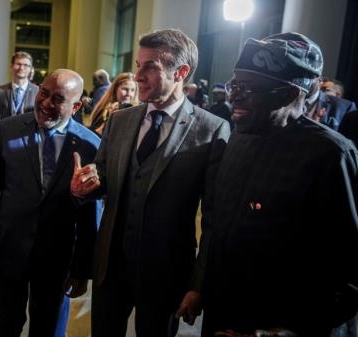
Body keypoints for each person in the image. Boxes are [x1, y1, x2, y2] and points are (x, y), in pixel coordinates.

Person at [202, 32, 358, 337]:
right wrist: (200, 286)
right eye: (235, 85)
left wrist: (282, 333)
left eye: (250, 88)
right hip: (225, 316)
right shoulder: (238, 137)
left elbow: (355, 270)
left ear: (290, 94)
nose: (234, 96)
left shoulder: (331, 156)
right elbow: (218, 228)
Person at [71, 28, 230, 337]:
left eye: (149, 66)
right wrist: (85, 186)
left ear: (181, 72)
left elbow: (214, 219)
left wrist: (198, 285)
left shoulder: (212, 130)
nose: (137, 76)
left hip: (166, 274)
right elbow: (102, 178)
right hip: (110, 269)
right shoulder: (120, 120)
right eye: (137, 65)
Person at [0, 69, 101, 337]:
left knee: (50, 329)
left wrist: (82, 269)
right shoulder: (6, 130)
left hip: (58, 261)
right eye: (43, 93)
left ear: (76, 105)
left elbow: (92, 212)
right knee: (3, 326)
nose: (44, 103)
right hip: (9, 253)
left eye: (57, 99)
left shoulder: (91, 144)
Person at [0, 51, 39, 131]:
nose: (21, 68)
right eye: (18, 64)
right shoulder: (0, 91)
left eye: (26, 65)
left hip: (28, 141)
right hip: (4, 140)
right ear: (11, 66)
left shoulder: (37, 91)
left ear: (30, 69)